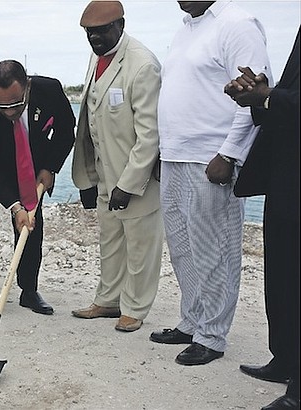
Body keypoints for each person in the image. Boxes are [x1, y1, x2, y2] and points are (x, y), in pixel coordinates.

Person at [152, 1, 271, 366]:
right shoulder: (186, 27)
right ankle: (192, 321)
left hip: (211, 156)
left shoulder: (237, 24)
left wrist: (231, 153)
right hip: (175, 154)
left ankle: (213, 336)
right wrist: (163, 149)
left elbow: (255, 94)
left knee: (215, 249)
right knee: (183, 247)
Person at [0, 60, 75, 327]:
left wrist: (50, 167)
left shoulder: (49, 90)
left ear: (27, 87)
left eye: (15, 104)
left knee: (31, 225)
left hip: (32, 164)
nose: (10, 111)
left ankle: (29, 290)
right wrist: (14, 205)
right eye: (2, 106)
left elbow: (66, 130)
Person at [71, 1, 163, 333]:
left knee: (140, 244)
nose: (94, 39)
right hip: (103, 171)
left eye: (101, 32)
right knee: (110, 240)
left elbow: (149, 134)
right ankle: (108, 300)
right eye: (89, 33)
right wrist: (88, 175)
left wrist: (129, 182)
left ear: (120, 26)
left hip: (134, 175)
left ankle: (135, 307)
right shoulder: (98, 58)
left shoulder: (142, 64)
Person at [225, 28, 300, 410]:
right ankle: (286, 359)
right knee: (283, 271)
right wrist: (260, 95)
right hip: (286, 172)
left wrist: (268, 96)